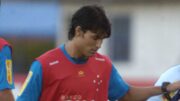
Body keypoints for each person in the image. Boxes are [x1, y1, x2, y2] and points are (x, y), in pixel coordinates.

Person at [17, 5, 180, 101]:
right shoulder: (44, 65)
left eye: (102, 39)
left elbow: (128, 94)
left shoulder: (103, 65)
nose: (99, 45)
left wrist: (166, 88)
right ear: (79, 31)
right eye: (95, 38)